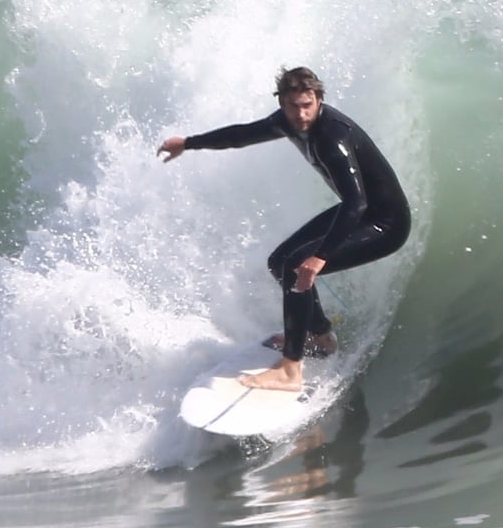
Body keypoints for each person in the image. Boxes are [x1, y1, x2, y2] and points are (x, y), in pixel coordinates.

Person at [157, 67, 410, 392]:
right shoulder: (286, 121)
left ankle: (291, 371)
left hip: (384, 223)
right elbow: (241, 135)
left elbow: (356, 202)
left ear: (319, 99)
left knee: (297, 266)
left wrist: (320, 258)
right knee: (280, 262)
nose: (301, 114)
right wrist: (189, 143)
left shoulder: (332, 137)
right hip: (360, 213)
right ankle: (321, 338)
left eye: (308, 105)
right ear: (282, 103)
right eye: (293, 106)